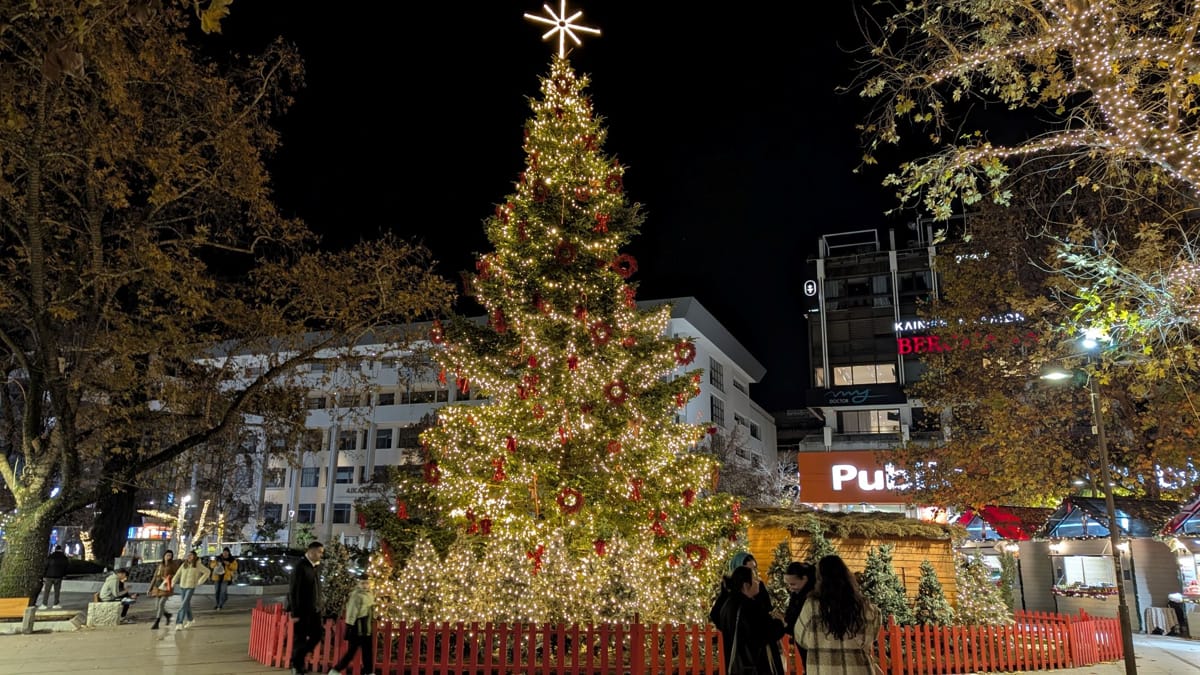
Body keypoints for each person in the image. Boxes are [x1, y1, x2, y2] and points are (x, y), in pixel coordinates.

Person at [795, 555, 883, 675]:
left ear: (820, 579)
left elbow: (801, 638)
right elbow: (873, 634)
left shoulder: (811, 607)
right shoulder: (864, 607)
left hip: (823, 670)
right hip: (859, 670)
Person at [709, 552, 781, 674]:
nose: (754, 575)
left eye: (754, 568)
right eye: (749, 570)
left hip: (754, 656)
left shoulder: (756, 590)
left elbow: (766, 611)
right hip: (750, 659)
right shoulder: (737, 601)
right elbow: (761, 632)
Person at [328, 572, 375, 675]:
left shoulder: (370, 594)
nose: (365, 585)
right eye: (363, 583)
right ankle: (335, 670)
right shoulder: (356, 595)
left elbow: (370, 609)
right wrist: (349, 625)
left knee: (368, 652)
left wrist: (374, 617)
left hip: (367, 627)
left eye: (367, 583)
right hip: (357, 626)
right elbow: (352, 611)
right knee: (351, 652)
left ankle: (369, 672)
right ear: (359, 584)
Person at [289, 541, 325, 675]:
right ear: (311, 551)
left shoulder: (316, 567)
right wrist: (295, 612)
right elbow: (294, 590)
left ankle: (297, 660)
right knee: (301, 638)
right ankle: (298, 667)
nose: (321, 555)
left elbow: (317, 588)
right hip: (302, 610)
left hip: (315, 609)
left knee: (317, 634)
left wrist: (320, 605)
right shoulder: (301, 566)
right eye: (319, 552)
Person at [783, 561, 815, 667]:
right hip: (800, 639)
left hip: (810, 642)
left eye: (793, 584)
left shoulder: (811, 597)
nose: (791, 587)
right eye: (788, 584)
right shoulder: (797, 594)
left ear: (804, 579)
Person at [171, 550, 209, 630]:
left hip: (191, 587)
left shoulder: (198, 565)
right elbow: (178, 573)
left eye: (191, 555)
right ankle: (191, 619)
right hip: (182, 586)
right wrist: (173, 581)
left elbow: (207, 572)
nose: (189, 556)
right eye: (188, 555)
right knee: (186, 605)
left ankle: (179, 623)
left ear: (194, 556)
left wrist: (200, 581)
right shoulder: (184, 564)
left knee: (183, 605)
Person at [149, 549, 180, 630]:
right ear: (164, 556)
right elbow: (154, 577)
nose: (168, 557)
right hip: (158, 586)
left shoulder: (173, 565)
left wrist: (168, 578)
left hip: (166, 586)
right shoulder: (160, 565)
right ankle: (167, 615)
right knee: (157, 606)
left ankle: (157, 623)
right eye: (167, 555)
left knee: (161, 604)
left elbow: (177, 575)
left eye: (170, 556)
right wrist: (150, 588)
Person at [39, 544, 69, 609]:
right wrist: (64, 575)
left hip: (49, 576)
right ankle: (56, 604)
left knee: (47, 591)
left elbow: (46, 566)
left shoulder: (50, 556)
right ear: (61, 550)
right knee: (57, 591)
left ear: (55, 549)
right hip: (58, 577)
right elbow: (66, 567)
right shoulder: (64, 557)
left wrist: (44, 575)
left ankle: (44, 604)